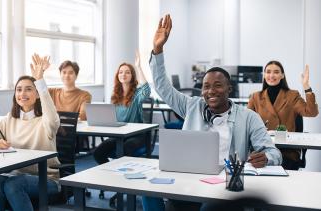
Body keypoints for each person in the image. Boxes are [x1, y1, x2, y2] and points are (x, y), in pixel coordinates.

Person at [142, 14, 282, 211]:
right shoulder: (192, 106)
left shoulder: (248, 117)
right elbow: (162, 87)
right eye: (206, 86)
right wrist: (157, 50)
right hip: (190, 180)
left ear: (229, 89)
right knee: (148, 192)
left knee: (209, 208)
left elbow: (273, 152)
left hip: (225, 186)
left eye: (217, 85)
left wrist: (266, 158)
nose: (211, 91)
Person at [0, 54, 60, 211]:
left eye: (28, 89)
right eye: (19, 90)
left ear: (38, 94)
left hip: (46, 179)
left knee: (13, 185)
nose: (22, 94)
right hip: (13, 175)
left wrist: (40, 81)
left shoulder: (46, 121)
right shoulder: (8, 120)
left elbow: (52, 116)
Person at [248, 61, 319, 170]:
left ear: (282, 75)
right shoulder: (255, 97)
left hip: (287, 152)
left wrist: (306, 87)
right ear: (264, 75)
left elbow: (311, 112)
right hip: (263, 151)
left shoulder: (292, 95)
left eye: (276, 72)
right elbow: (246, 124)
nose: (271, 75)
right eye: (268, 72)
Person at [93, 51, 151, 164]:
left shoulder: (137, 94)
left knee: (125, 149)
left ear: (132, 76)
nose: (123, 75)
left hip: (137, 135)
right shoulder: (115, 95)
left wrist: (138, 67)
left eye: (127, 72)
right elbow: (112, 118)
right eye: (121, 72)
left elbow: (147, 90)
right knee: (98, 153)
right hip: (119, 135)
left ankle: (123, 175)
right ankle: (112, 171)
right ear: (117, 75)